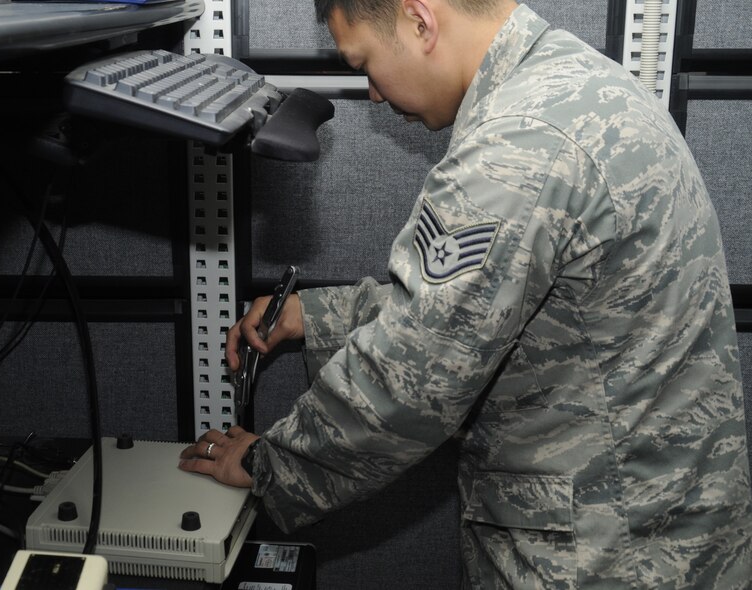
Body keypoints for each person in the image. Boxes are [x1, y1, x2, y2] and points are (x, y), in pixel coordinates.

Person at [179, 0, 752, 586]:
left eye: (364, 62)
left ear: (419, 21)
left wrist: (268, 463)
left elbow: (405, 383)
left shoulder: (519, 148)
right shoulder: (577, 83)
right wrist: (315, 316)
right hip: (660, 530)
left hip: (604, 559)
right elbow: (499, 308)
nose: (372, 93)